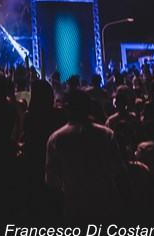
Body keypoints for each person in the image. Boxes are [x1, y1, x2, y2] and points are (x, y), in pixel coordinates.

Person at [45, 89, 126, 219]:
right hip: (105, 204)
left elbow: (52, 181)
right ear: (89, 108)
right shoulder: (106, 134)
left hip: (74, 205)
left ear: (66, 109)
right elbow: (118, 171)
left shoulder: (56, 139)